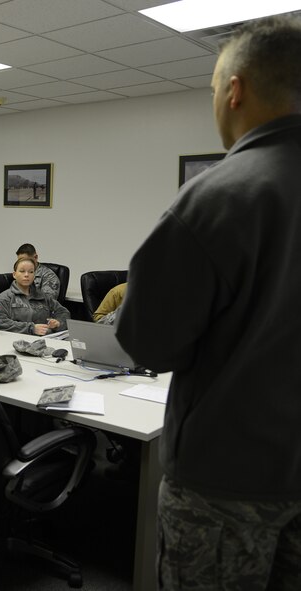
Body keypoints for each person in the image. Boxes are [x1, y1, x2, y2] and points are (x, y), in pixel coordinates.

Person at [115, 16, 301, 589]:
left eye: (213, 90)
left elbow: (147, 344)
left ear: (235, 90)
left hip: (227, 485)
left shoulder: (219, 197)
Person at [0, 257, 68, 336]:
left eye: (31, 272)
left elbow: (64, 312)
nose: (26, 275)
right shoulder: (5, 298)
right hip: (16, 339)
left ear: (34, 275)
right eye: (22, 271)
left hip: (45, 338)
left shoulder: (42, 296)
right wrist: (31, 328)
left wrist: (58, 322)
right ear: (14, 274)